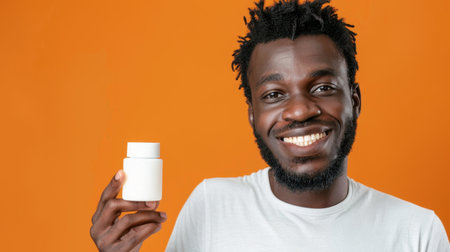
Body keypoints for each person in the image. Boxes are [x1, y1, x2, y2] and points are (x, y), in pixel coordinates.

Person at [90, 0, 450, 251]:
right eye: (275, 94)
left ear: (354, 101)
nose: (299, 110)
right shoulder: (212, 207)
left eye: (322, 87)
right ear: (252, 115)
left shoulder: (417, 232)